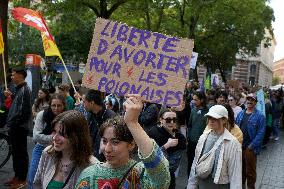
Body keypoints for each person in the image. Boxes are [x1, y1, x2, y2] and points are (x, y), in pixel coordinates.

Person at [75, 94, 170, 189]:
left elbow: (161, 180)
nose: (107, 149)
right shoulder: (89, 175)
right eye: (104, 141)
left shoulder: (140, 173)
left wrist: (132, 123)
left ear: (131, 144)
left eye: (115, 142)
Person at [33, 110, 97, 188]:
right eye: (54, 131)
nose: (55, 137)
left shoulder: (92, 166)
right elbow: (37, 184)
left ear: (77, 136)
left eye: (62, 134)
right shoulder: (48, 153)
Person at [187, 105, 242, 189]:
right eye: (209, 117)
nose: (211, 121)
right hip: (203, 184)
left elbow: (235, 174)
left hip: (221, 186)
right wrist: (191, 186)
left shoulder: (232, 143)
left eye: (215, 118)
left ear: (224, 120)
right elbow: (195, 163)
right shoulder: (203, 137)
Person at [28, 93, 66, 188]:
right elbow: (36, 136)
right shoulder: (42, 115)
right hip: (41, 148)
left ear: (63, 105)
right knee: (33, 177)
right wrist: (52, 138)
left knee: (54, 180)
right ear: (50, 105)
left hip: (61, 150)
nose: (56, 108)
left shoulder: (67, 117)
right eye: (53, 105)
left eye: (59, 105)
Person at [4, 67, 32, 188]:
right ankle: (16, 176)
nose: (11, 76)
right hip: (14, 126)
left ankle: (22, 179)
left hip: (19, 127)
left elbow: (24, 111)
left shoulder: (25, 89)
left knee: (21, 153)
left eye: (13, 74)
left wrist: (14, 123)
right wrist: (10, 95)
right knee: (15, 153)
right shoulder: (18, 89)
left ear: (20, 75)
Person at [148, 108, 186, 189]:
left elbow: (183, 145)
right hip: (155, 176)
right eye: (168, 120)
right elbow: (150, 158)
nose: (172, 122)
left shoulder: (178, 135)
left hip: (170, 176)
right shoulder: (153, 133)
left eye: (174, 119)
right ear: (161, 120)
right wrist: (166, 146)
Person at [235, 93, 265, 189]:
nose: (249, 101)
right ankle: (242, 186)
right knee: (241, 169)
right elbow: (236, 128)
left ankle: (251, 187)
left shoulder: (260, 116)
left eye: (252, 100)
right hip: (240, 146)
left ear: (255, 102)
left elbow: (261, 133)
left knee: (250, 171)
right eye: (248, 99)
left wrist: (251, 146)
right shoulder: (241, 113)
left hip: (250, 148)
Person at [83, 89, 116, 159]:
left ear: (92, 103)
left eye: (84, 102)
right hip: (91, 155)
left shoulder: (111, 117)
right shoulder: (90, 115)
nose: (83, 105)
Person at [187, 91, 208, 176]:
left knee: (199, 165)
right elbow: (190, 125)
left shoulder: (208, 112)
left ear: (202, 100)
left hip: (202, 143)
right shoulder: (193, 110)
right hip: (192, 142)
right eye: (193, 99)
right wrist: (188, 138)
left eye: (196, 100)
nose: (193, 101)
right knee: (190, 163)